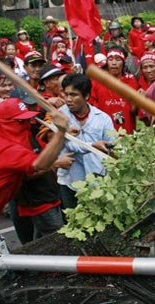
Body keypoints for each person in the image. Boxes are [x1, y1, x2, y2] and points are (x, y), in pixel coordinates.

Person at [0, 99, 69, 267]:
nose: (26, 124)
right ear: (7, 123)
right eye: (21, 121)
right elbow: (41, 164)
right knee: (2, 275)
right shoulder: (8, 147)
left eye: (27, 120)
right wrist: (61, 132)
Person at [57, 74, 115, 209]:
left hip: (97, 181)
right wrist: (93, 145)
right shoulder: (59, 116)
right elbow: (69, 144)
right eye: (66, 95)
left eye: (74, 95)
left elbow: (113, 144)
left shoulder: (102, 118)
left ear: (87, 96)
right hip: (69, 182)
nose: (68, 99)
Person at [90, 46, 139, 134]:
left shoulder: (131, 81)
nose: (114, 63)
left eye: (118, 59)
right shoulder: (97, 81)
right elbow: (92, 108)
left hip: (127, 132)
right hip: (103, 131)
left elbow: (134, 110)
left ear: (123, 63)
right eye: (110, 59)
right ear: (107, 62)